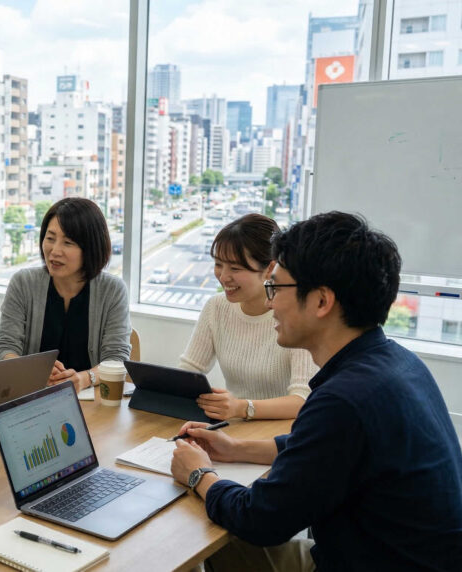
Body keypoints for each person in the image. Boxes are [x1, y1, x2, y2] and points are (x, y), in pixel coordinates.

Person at [170, 211, 462, 571]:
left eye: (275, 287)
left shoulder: (344, 400)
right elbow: (321, 450)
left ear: (322, 302)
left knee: (198, 536)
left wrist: (200, 474)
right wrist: (236, 448)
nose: (271, 301)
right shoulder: (397, 362)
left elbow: (260, 520)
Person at [179, 214, 316, 420]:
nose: (224, 277)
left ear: (270, 268)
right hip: (233, 428)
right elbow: (189, 371)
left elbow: (302, 400)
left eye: (235, 268)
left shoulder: (295, 315)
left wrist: (243, 407)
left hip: (279, 434)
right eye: (218, 264)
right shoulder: (217, 307)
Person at [0, 197, 131, 390]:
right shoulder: (24, 283)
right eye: (50, 238)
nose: (55, 251)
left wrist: (83, 379)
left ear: (91, 247)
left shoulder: (112, 290)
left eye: (67, 242)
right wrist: (32, 371)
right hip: (34, 398)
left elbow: (117, 358)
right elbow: (5, 348)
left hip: (92, 402)